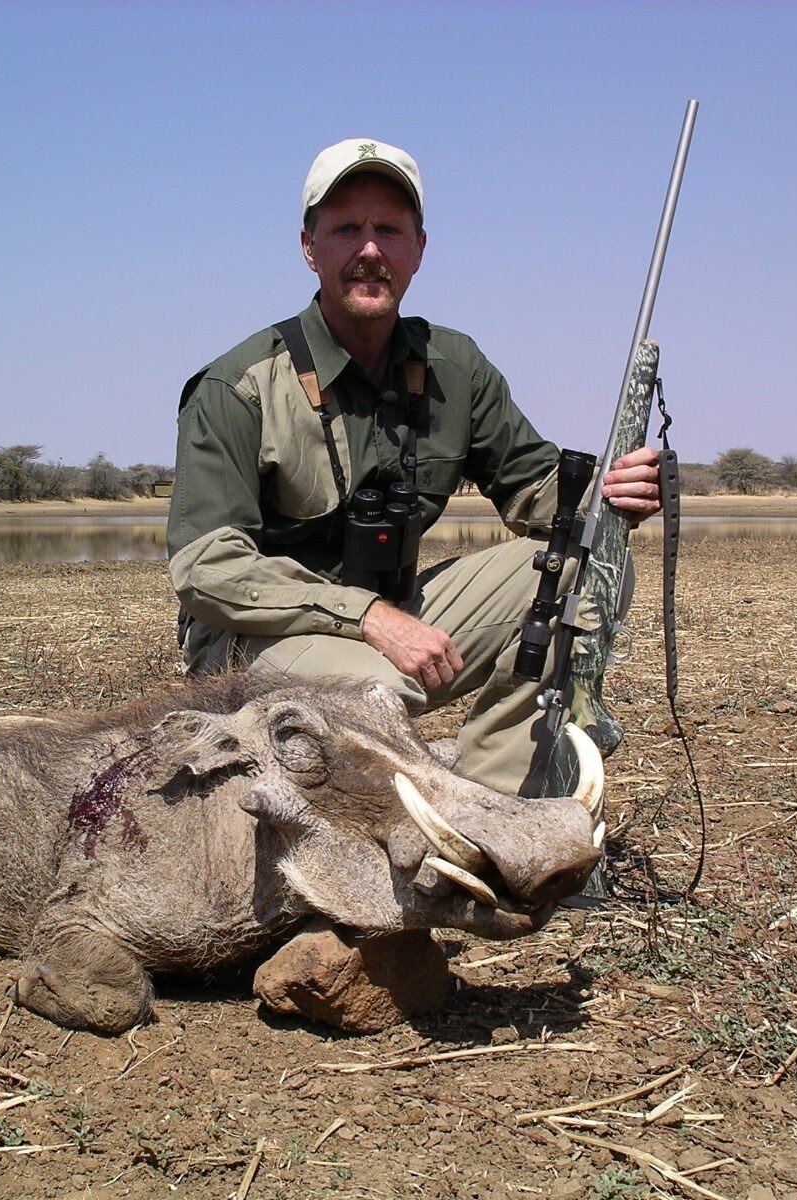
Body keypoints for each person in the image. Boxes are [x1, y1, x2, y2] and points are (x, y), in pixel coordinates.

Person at [168, 137, 660, 795]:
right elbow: (206, 569)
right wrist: (367, 616)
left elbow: (535, 488)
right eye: (346, 228)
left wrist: (604, 490)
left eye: (388, 230)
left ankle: (494, 816)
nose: (369, 249)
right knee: (370, 692)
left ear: (418, 249)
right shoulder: (239, 385)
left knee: (586, 568)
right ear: (309, 247)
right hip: (258, 639)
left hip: (395, 617)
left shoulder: (456, 365)